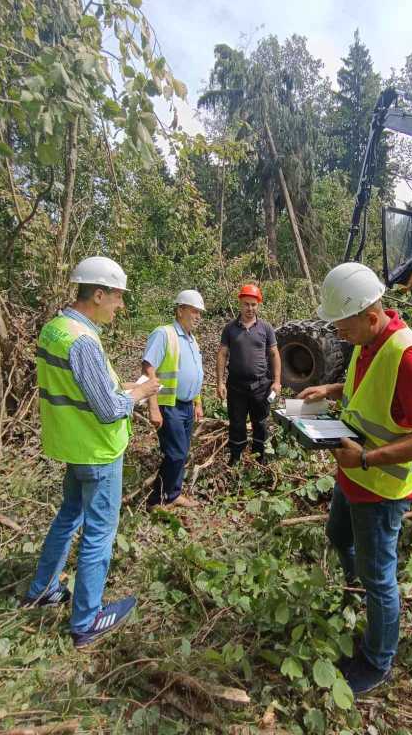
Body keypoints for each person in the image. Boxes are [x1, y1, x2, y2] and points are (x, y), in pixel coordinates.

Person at [298, 262, 412, 695]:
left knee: (379, 577)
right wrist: (327, 391)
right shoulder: (369, 341)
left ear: (370, 316)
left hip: (380, 487)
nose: (339, 336)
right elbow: (364, 390)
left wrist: (367, 458)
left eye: (343, 329)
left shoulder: (407, 356)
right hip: (354, 477)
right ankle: (355, 590)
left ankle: (378, 659)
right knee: (337, 535)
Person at [24, 256, 160, 649]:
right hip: (98, 451)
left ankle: (42, 588)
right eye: (117, 298)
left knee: (68, 517)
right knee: (100, 533)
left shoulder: (55, 329)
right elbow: (107, 408)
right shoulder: (82, 340)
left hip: (73, 445)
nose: (120, 306)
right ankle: (87, 620)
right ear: (97, 294)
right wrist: (141, 392)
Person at [142, 290, 206, 510]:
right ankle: (156, 500)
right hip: (169, 404)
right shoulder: (164, 334)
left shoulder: (192, 339)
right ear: (180, 310)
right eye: (194, 311)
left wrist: (198, 402)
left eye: (200, 313)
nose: (198, 317)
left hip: (186, 406)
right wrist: (153, 407)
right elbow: (149, 368)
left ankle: (173, 494)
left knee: (182, 451)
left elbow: (193, 373)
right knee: (175, 452)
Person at [216, 283, 281, 465]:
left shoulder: (266, 328)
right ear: (240, 303)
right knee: (236, 423)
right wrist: (220, 383)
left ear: (258, 305)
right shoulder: (230, 328)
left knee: (260, 422)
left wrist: (277, 381)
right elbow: (222, 353)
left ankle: (260, 457)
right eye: (246, 304)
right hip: (236, 386)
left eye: (253, 304)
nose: (250, 308)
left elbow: (274, 354)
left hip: (261, 385)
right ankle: (236, 457)